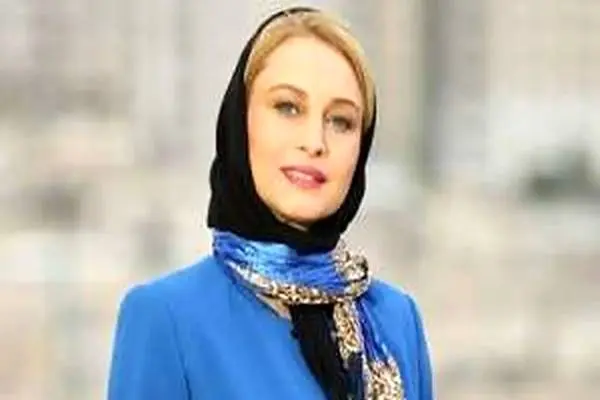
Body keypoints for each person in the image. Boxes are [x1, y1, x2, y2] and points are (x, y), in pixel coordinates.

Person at [107, 6, 433, 400]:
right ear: (240, 121)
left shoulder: (396, 321)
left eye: (341, 121)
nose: (315, 142)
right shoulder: (167, 319)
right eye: (288, 108)